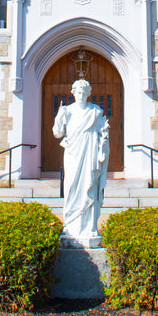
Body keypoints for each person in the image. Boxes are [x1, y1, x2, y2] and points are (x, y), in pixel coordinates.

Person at [53, 78, 109, 245]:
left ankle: (90, 228)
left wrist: (102, 150)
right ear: (73, 93)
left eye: (84, 93)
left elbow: (103, 134)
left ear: (88, 94)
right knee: (71, 188)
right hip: (72, 155)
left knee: (89, 187)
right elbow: (57, 133)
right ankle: (71, 226)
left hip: (90, 155)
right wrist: (59, 117)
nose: (81, 95)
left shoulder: (95, 112)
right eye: (78, 92)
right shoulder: (67, 111)